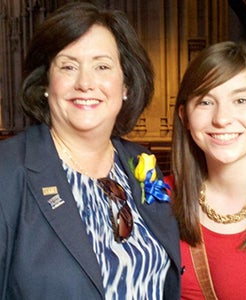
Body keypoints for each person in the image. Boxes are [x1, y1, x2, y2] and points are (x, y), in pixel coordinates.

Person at [0, 2, 181, 299]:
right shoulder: (7, 171)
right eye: (69, 66)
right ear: (46, 82)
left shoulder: (141, 164)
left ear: (125, 85)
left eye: (102, 66)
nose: (85, 83)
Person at [166, 41, 246, 299]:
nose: (222, 118)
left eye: (241, 100)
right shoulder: (158, 196)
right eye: (205, 102)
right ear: (184, 116)